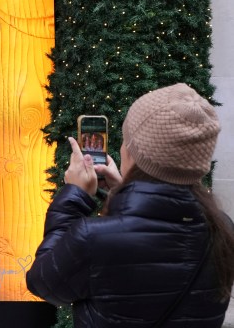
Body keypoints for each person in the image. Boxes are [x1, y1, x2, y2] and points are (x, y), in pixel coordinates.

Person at [26, 83, 234, 327]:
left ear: (134, 154)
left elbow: (43, 282)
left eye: (126, 141)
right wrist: (121, 190)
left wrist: (73, 196)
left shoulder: (95, 238)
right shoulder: (222, 229)